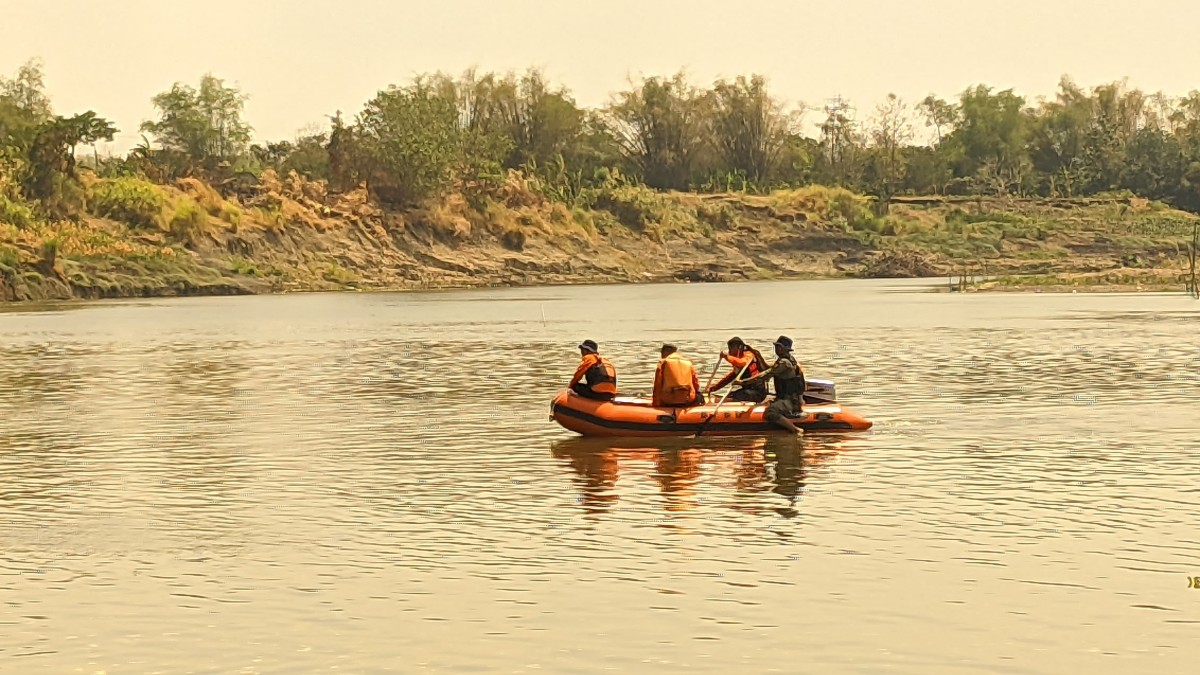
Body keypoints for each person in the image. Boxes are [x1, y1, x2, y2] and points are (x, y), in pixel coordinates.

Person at [736, 335, 806, 434]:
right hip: (786, 398)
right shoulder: (786, 360)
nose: (776, 349)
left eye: (779, 347)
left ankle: (795, 429)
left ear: (785, 349)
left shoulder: (784, 363)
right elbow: (768, 369)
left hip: (790, 400)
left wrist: (743, 382)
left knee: (770, 412)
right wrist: (758, 355)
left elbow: (765, 375)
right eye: (776, 346)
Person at [704, 337, 768, 403]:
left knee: (740, 395)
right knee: (730, 395)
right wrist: (713, 388)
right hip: (747, 390)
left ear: (737, 347)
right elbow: (729, 378)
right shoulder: (738, 363)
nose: (729, 352)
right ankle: (719, 401)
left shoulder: (748, 354)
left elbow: (743, 362)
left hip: (757, 393)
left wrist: (727, 357)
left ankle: (721, 402)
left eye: (730, 349)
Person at [652, 343, 704, 408]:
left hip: (669, 400)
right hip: (687, 399)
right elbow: (696, 385)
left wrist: (655, 404)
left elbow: (657, 385)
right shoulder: (688, 363)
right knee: (700, 395)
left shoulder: (663, 363)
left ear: (664, 352)